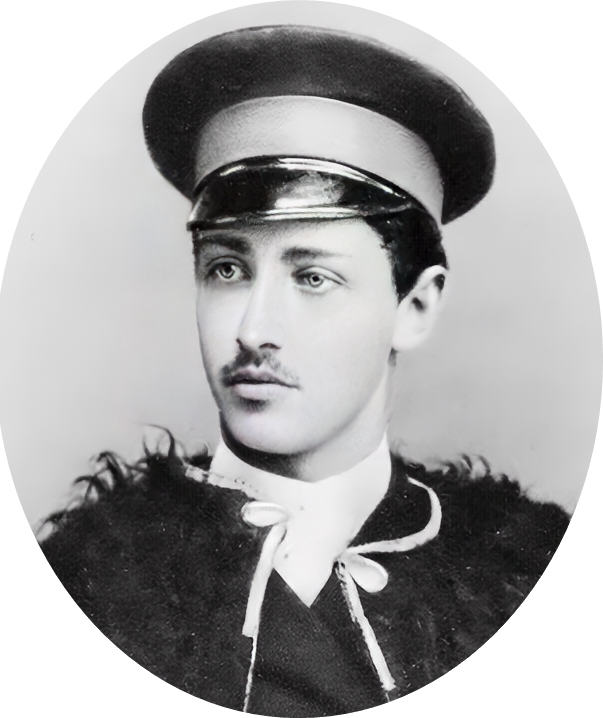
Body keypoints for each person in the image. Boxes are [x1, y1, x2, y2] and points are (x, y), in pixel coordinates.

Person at [40, 25, 570, 717]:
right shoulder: (84, 579)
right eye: (226, 269)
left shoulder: (531, 578)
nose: (252, 329)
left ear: (414, 307)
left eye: (314, 277)